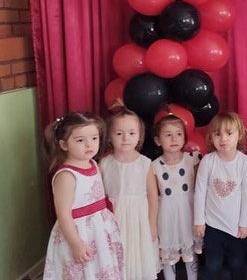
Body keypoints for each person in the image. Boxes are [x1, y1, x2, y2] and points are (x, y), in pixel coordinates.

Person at [43, 112, 125, 279]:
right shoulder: (67, 176)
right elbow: (64, 214)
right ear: (64, 145)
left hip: (99, 230)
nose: (89, 144)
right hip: (79, 234)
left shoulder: (93, 163)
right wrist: (76, 244)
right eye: (80, 140)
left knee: (101, 269)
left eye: (94, 138)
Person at [100, 106, 160, 280]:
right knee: (117, 258)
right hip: (113, 220)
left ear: (139, 136)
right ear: (110, 136)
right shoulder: (104, 164)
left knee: (138, 258)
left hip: (138, 221)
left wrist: (152, 223)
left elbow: (152, 195)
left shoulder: (145, 163)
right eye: (119, 133)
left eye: (132, 133)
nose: (126, 138)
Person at [194, 112, 247, 280]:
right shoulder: (208, 161)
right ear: (211, 137)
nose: (223, 139)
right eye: (217, 134)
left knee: (237, 264)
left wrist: (244, 223)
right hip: (212, 225)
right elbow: (200, 191)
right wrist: (199, 221)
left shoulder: (245, 162)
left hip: (236, 227)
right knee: (213, 265)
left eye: (229, 133)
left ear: (239, 135)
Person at [151, 114, 203, 280]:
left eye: (179, 134)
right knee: (168, 253)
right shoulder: (154, 166)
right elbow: (153, 195)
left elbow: (201, 188)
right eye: (168, 135)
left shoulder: (193, 160)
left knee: (190, 250)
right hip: (167, 214)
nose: (174, 139)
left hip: (188, 211)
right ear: (158, 140)